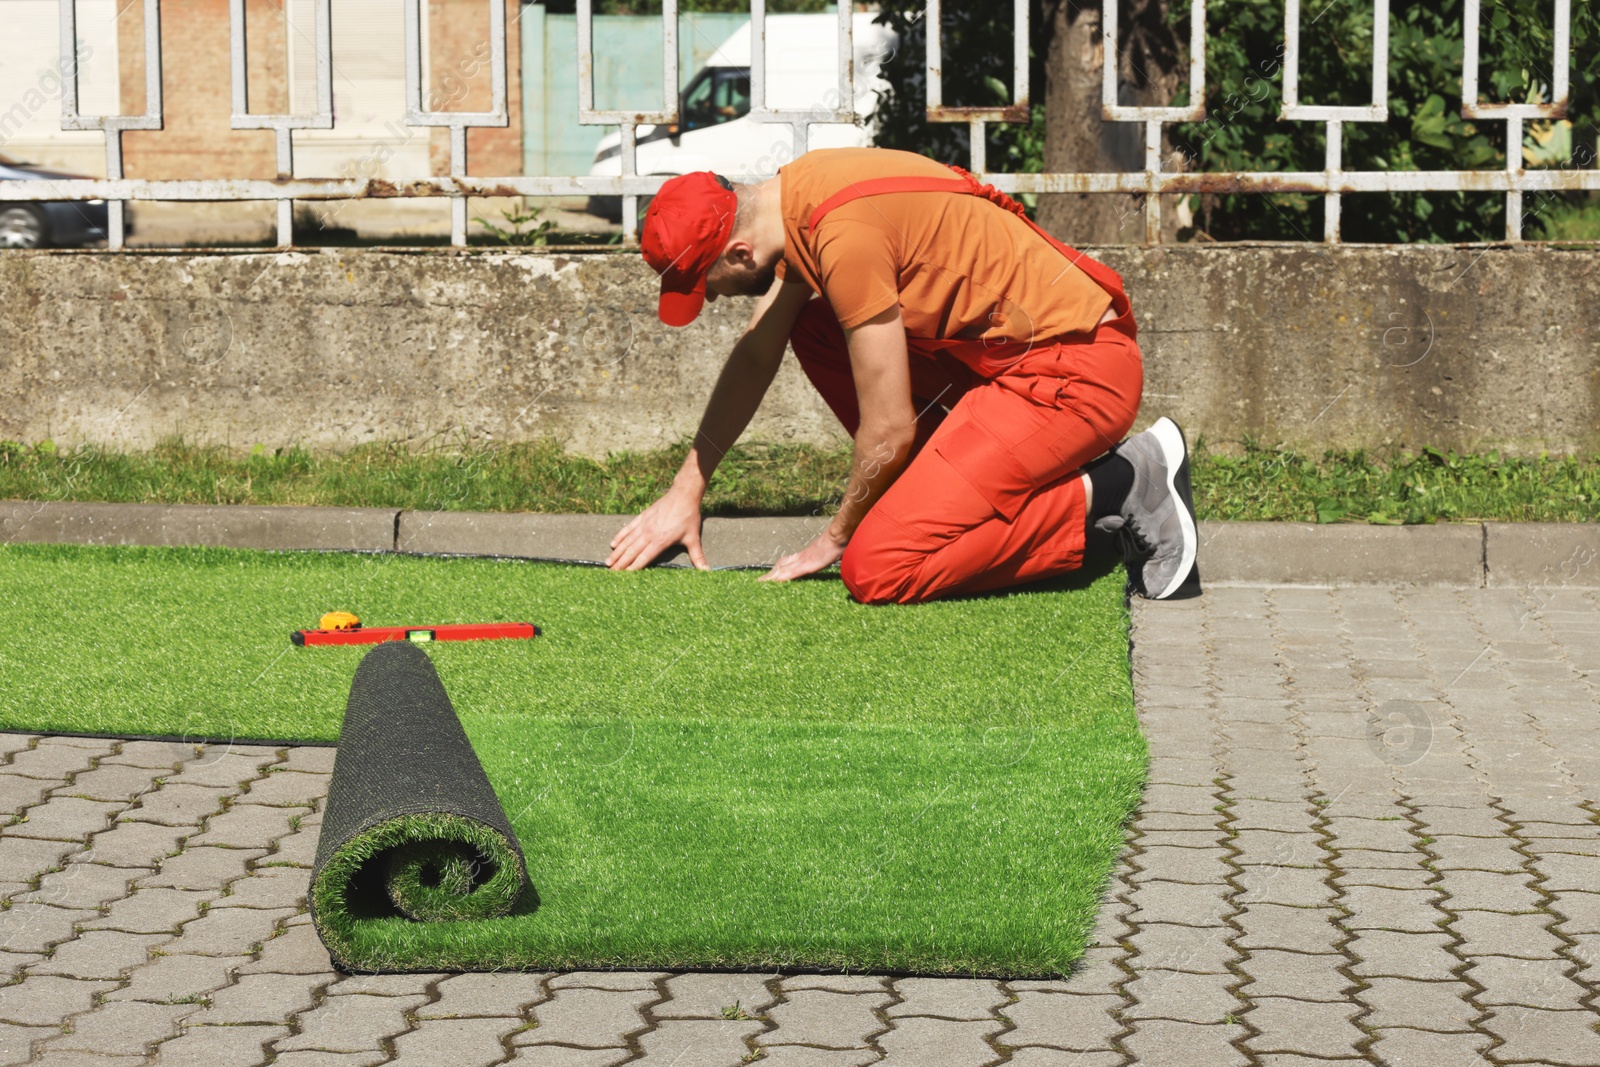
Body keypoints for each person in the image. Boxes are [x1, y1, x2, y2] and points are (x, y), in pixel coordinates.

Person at [606, 146, 1199, 605]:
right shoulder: (799, 193)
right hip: (1010, 363)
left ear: (738, 252)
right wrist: (686, 491)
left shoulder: (843, 238)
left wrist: (835, 539)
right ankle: (934, 503)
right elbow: (759, 351)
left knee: (877, 568)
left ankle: (1124, 483)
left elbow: (889, 430)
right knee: (812, 327)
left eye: (704, 285)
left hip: (1074, 377)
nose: (709, 301)